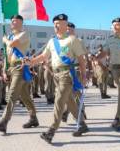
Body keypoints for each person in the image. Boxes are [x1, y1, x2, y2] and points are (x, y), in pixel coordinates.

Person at [28, 14, 89, 143]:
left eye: (58, 23)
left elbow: (81, 60)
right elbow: (44, 56)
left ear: (65, 24)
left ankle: (51, 131)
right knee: (69, 101)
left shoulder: (72, 40)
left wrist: (84, 76)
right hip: (55, 75)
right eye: (54, 23)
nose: (55, 26)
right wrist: (31, 61)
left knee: (59, 101)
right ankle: (82, 124)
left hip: (67, 75)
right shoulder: (52, 41)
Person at [0, 15, 39, 134]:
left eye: (15, 21)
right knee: (25, 97)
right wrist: (4, 70)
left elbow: (13, 44)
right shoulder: (10, 36)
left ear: (21, 23)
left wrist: (5, 40)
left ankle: (4, 122)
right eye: (12, 21)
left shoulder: (24, 34)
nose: (13, 23)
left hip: (20, 67)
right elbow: (8, 57)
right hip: (12, 68)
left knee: (12, 94)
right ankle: (34, 118)